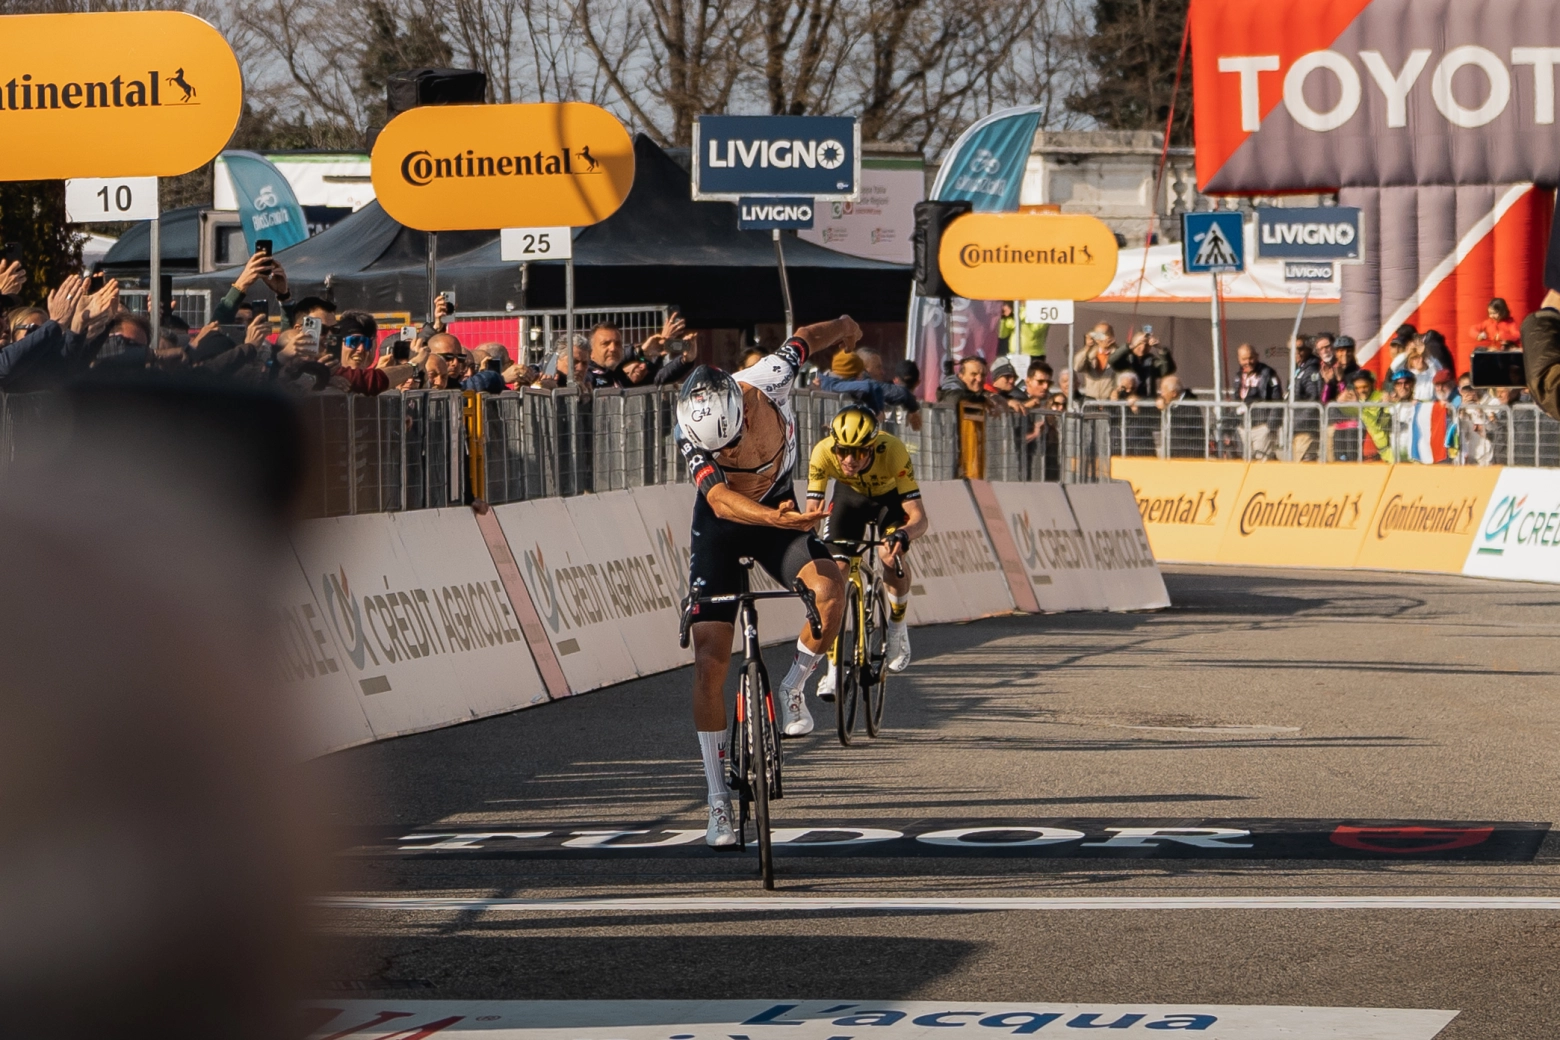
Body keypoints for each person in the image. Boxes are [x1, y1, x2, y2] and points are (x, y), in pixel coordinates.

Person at [674, 317, 853, 847]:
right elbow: (719, 498)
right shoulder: (693, 427)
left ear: (742, 407)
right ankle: (715, 801)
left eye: (730, 447)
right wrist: (779, 520)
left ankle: (794, 687)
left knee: (830, 589)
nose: (726, 456)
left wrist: (845, 328)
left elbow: (807, 338)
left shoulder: (769, 377)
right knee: (710, 660)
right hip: (726, 527)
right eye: (718, 452)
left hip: (779, 513)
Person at [805, 405, 928, 698]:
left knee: (889, 555)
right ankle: (833, 668)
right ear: (833, 445)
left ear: (873, 447)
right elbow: (812, 512)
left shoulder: (893, 450)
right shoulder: (822, 453)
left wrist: (903, 534)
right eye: (843, 451)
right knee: (837, 574)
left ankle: (897, 626)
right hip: (849, 501)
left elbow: (919, 517)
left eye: (860, 453)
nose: (849, 460)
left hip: (889, 501)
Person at [1109, 329, 1176, 396]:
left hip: (1146, 400)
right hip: (1126, 398)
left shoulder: (1151, 360)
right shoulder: (1125, 359)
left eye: (1146, 345)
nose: (1143, 347)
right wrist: (1130, 346)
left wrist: (1160, 348)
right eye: (1140, 343)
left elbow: (1168, 370)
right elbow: (1112, 360)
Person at [1073, 323, 1118, 400]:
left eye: (1105, 334)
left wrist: (1117, 391)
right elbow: (1077, 368)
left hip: (1110, 403)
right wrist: (1087, 348)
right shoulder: (1089, 355)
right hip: (1091, 403)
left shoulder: (1118, 355)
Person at [585, 322, 629, 388]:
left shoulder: (620, 374)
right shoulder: (587, 376)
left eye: (617, 343)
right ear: (591, 352)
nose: (613, 348)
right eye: (605, 343)